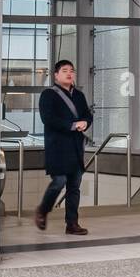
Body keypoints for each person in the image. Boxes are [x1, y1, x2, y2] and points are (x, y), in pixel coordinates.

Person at [35, 59, 94, 234]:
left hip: (75, 147)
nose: (69, 73)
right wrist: (72, 125)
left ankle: (72, 224)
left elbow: (87, 115)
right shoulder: (48, 95)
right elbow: (48, 119)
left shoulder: (79, 95)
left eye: (71, 71)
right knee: (59, 181)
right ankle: (43, 210)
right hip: (57, 148)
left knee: (74, 186)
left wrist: (85, 122)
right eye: (65, 70)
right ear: (56, 75)